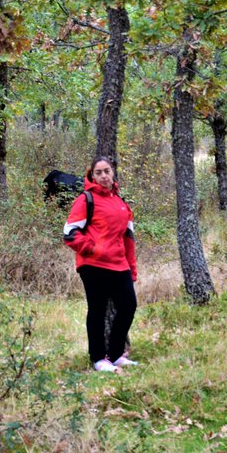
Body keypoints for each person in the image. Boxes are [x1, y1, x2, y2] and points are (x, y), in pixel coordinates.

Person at [63, 156, 138, 373]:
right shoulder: (86, 199)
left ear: (112, 172)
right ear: (92, 176)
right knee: (97, 309)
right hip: (93, 265)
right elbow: (70, 233)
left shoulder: (121, 203)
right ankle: (98, 359)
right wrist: (94, 248)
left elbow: (128, 239)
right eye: (99, 172)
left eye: (107, 171)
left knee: (128, 306)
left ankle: (115, 355)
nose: (104, 176)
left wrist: (131, 267)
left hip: (119, 264)